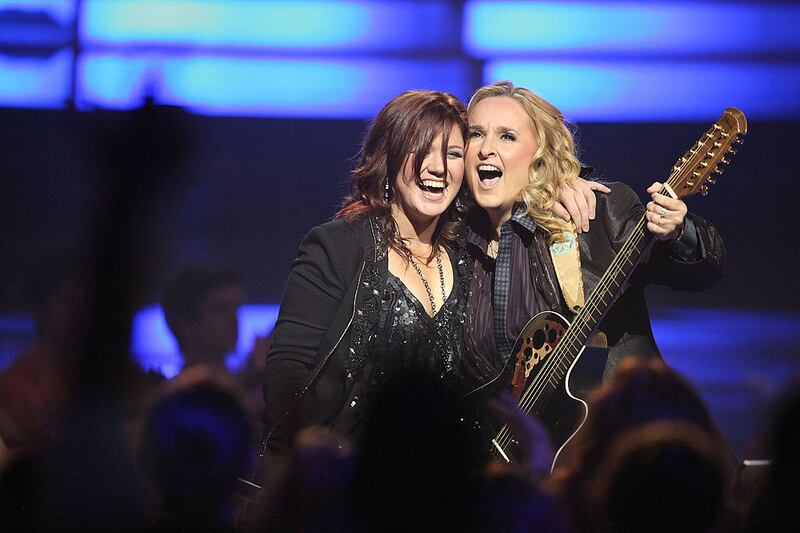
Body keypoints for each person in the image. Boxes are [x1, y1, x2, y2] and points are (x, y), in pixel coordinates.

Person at [461, 80, 726, 400]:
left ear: (540, 154)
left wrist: (679, 231)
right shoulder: (455, 242)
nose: (486, 148)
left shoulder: (595, 214)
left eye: (507, 136)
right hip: (517, 430)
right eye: (476, 134)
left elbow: (701, 273)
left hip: (616, 418)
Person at [261, 90, 474, 463]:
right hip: (338, 479)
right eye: (420, 149)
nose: (438, 167)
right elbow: (287, 374)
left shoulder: (470, 258)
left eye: (453, 154)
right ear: (388, 157)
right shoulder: (337, 246)